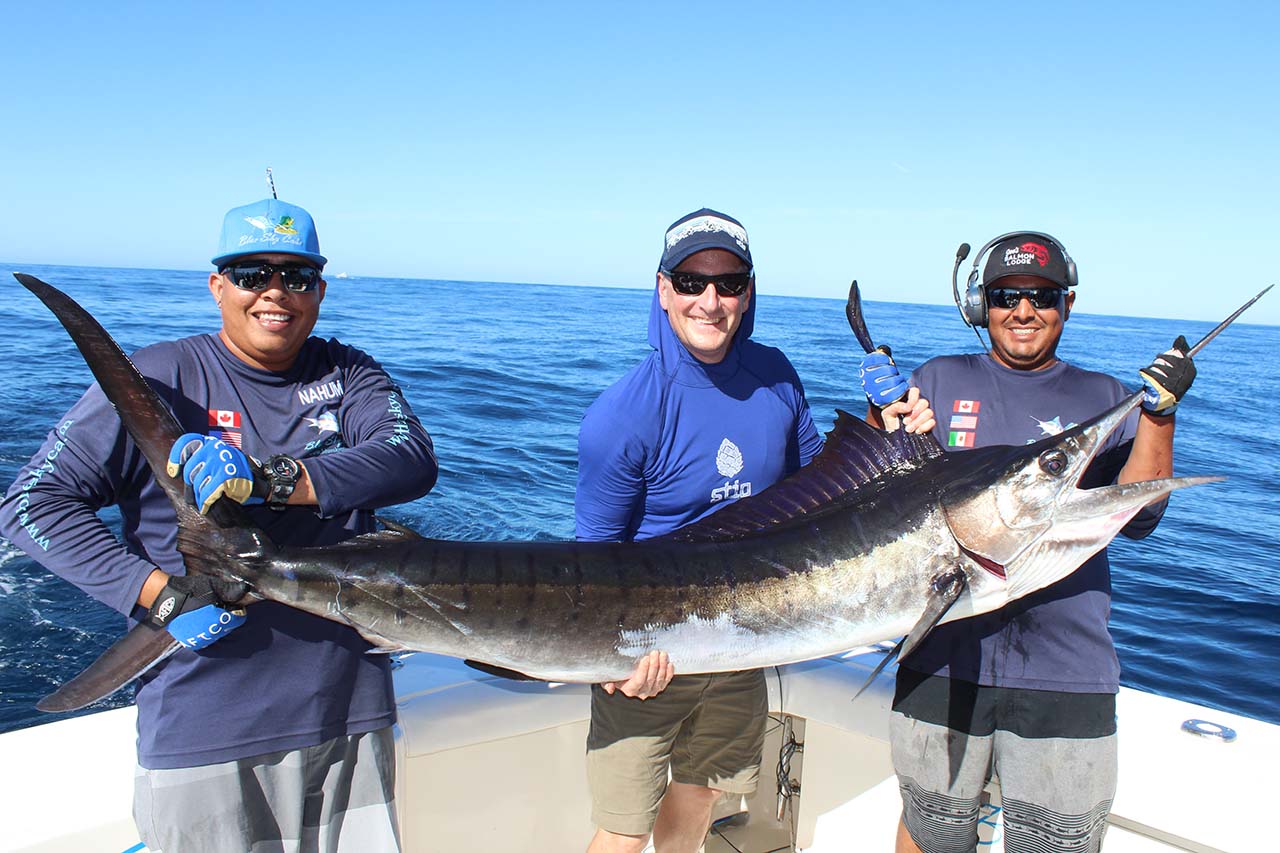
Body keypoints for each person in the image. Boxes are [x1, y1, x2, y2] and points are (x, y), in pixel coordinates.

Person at [0, 197, 439, 852]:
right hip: (202, 730)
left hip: (349, 713)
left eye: (294, 276)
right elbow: (33, 504)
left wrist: (271, 479)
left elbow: (410, 459)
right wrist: (158, 593)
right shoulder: (162, 375)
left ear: (318, 289)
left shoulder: (349, 374)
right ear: (217, 285)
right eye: (249, 272)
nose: (273, 292)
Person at [576, 208, 934, 853]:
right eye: (691, 282)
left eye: (729, 283)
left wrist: (886, 431)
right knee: (625, 830)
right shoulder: (621, 415)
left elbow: (821, 495)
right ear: (663, 290)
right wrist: (608, 656)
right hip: (647, 652)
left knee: (699, 800)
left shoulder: (776, 376)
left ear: (749, 292)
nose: (709, 301)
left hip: (746, 640)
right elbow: (590, 563)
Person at [860, 231, 1196, 853]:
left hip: (1067, 671)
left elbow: (1141, 519)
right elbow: (886, 501)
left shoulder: (1101, 397)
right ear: (980, 306)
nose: (1023, 311)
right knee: (929, 833)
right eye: (1006, 295)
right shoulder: (937, 378)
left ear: (1066, 304)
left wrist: (1158, 416)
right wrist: (885, 425)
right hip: (942, 660)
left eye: (1041, 297)